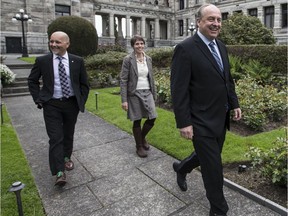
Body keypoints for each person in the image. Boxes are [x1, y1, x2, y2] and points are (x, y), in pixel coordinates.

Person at [170, 4, 241, 216]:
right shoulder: (185, 49)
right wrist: (184, 122)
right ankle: (219, 210)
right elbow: (179, 89)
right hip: (200, 120)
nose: (216, 24)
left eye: (219, 20)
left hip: (220, 117)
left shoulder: (221, 46)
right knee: (213, 169)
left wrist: (234, 103)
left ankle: (182, 168)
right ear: (199, 22)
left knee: (206, 157)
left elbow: (226, 80)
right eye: (211, 19)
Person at [28, 31, 90, 187]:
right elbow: (32, 81)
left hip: (71, 104)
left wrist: (80, 101)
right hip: (51, 104)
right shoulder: (43, 61)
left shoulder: (77, 61)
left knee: (68, 134)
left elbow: (84, 84)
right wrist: (38, 98)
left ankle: (66, 157)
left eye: (58, 42)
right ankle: (59, 172)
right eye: (51, 41)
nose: (53, 45)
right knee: (56, 137)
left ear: (67, 44)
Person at [120, 35, 157, 158]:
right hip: (134, 93)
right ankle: (139, 146)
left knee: (152, 117)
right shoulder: (128, 59)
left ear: (144, 44)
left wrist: (154, 94)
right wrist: (124, 100)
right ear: (133, 46)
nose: (139, 46)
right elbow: (124, 79)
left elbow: (151, 77)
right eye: (137, 44)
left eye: (141, 43)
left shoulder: (148, 59)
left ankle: (141, 138)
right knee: (137, 119)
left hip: (147, 91)